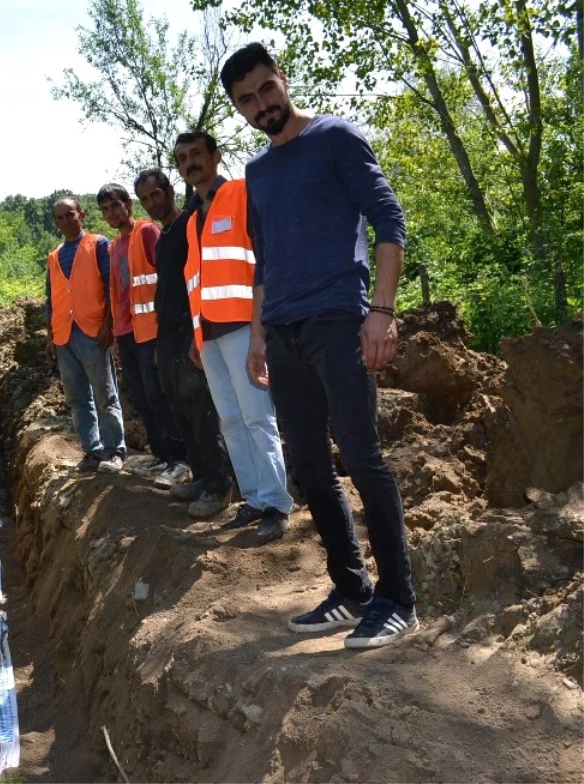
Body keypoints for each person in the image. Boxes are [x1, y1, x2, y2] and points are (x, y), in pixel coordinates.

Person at [221, 43, 418, 648]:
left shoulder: (336, 138)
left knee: (361, 455)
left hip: (339, 319)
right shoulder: (256, 172)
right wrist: (257, 333)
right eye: (247, 101)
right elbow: (264, 260)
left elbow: (390, 222)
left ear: (283, 79)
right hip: (282, 330)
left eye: (266, 90)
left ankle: (397, 599)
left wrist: (380, 313)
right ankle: (352, 589)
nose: (261, 106)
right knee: (309, 464)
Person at [176, 131, 294, 543]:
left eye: (196, 154)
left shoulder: (242, 193)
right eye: (183, 158)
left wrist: (262, 329)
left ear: (215, 156)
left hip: (245, 327)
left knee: (258, 417)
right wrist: (196, 334)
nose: (190, 162)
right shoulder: (192, 220)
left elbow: (263, 260)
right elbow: (198, 281)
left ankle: (278, 504)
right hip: (209, 335)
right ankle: (256, 498)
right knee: (230, 419)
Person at [133, 169, 233, 518]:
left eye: (156, 194)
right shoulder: (164, 237)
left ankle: (220, 486)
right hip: (167, 333)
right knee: (178, 406)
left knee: (201, 408)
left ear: (170, 191)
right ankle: (202, 477)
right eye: (145, 199)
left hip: (190, 328)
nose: (152, 203)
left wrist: (197, 328)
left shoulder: (191, 224)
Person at [96, 183, 190, 487]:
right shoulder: (114, 246)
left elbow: (167, 277)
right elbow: (116, 292)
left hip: (150, 329)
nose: (111, 213)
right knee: (142, 398)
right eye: (106, 209)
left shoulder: (147, 232)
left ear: (128, 205)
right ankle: (162, 455)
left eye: (115, 205)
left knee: (159, 395)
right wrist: (112, 327)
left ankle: (179, 460)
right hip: (126, 331)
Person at [45, 196, 126, 474]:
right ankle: (92, 450)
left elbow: (110, 286)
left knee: (105, 394)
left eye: (70, 214)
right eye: (60, 217)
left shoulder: (98, 244)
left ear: (82, 215)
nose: (66, 221)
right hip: (64, 336)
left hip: (92, 331)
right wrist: (50, 335)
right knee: (77, 398)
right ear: (56, 222)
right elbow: (51, 298)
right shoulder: (55, 256)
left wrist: (109, 325)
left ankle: (115, 450)